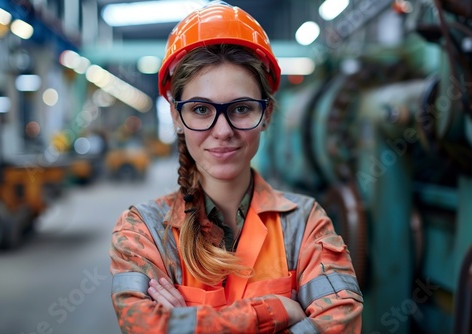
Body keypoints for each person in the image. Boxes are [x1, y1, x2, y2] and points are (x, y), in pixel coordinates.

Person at [109, 1, 363, 333]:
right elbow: (144, 327)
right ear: (177, 117)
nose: (223, 130)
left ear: (266, 115)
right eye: (201, 110)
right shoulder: (141, 232)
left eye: (241, 109)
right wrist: (276, 311)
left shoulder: (306, 225)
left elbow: (342, 322)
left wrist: (187, 321)